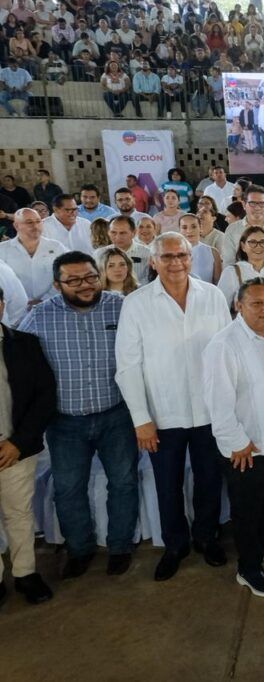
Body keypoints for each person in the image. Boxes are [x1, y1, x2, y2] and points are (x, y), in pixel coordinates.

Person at [115, 233, 232, 581]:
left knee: (209, 479)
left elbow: (227, 353)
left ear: (191, 258)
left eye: (181, 255)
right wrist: (141, 418)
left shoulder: (212, 296)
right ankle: (175, 544)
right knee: (168, 484)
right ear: (153, 261)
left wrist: (228, 407)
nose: (175, 262)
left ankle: (206, 537)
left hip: (209, 410)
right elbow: (128, 366)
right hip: (162, 413)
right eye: (166, 257)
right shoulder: (136, 303)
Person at [20, 252, 138, 579]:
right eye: (73, 280)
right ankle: (79, 549)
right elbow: (18, 356)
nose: (85, 285)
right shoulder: (39, 317)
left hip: (116, 414)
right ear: (57, 285)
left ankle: (120, 546)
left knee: (124, 482)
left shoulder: (120, 307)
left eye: (90, 277)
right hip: (65, 422)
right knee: (69, 488)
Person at [204, 278, 264, 597]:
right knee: (247, 509)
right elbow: (217, 402)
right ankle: (249, 567)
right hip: (246, 446)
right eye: (256, 303)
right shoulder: (224, 344)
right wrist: (237, 442)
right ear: (238, 305)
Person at [0, 284, 57, 606]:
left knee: (19, 512)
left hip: (15, 448)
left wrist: (18, 443)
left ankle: (25, 573)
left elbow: (44, 395)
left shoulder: (24, 344)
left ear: (2, 305)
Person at [217, 225, 264, 314]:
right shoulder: (231, 272)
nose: (258, 246)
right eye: (252, 242)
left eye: (262, 242)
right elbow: (220, 307)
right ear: (243, 246)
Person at [0, 208, 66, 309]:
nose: (35, 226)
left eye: (38, 221)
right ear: (16, 226)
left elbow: (66, 275)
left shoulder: (56, 247)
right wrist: (20, 302)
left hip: (51, 305)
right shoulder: (3, 249)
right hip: (13, 309)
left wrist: (45, 299)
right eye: (29, 222)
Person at [178, 213, 221, 285]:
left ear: (200, 228)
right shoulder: (172, 254)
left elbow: (218, 283)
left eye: (194, 227)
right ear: (179, 230)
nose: (189, 231)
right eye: (184, 227)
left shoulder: (213, 253)